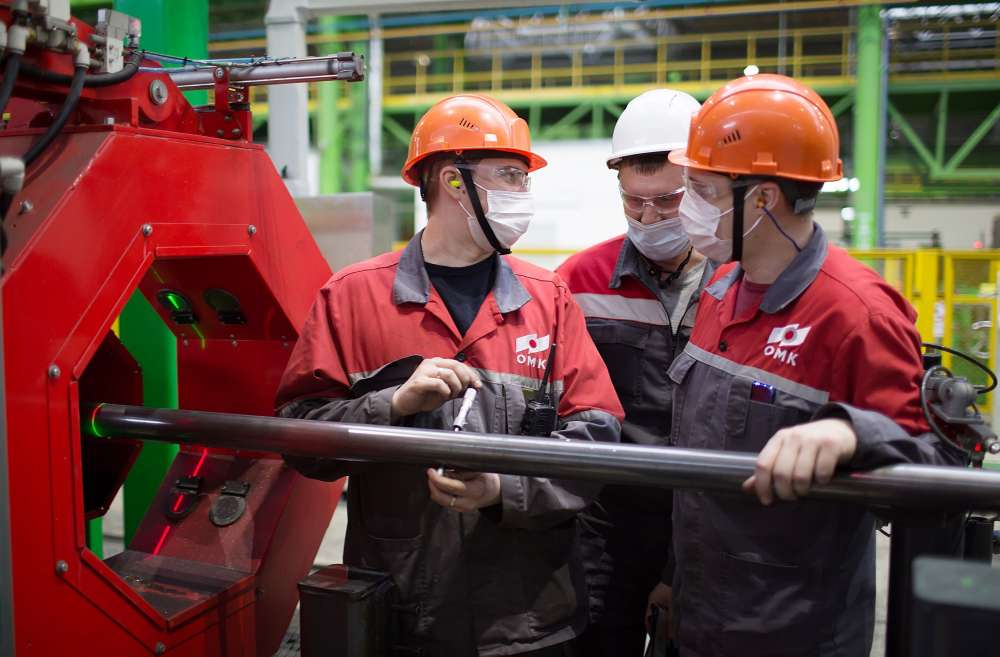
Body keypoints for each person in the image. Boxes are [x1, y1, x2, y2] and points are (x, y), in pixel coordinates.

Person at [274, 93, 624, 657]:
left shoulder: (548, 298)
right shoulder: (353, 297)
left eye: (524, 179)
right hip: (402, 613)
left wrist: (503, 489)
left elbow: (599, 434)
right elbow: (300, 437)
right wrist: (392, 405)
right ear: (452, 181)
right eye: (509, 176)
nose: (523, 194)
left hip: (528, 618)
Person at [664, 73, 968, 657]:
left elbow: (938, 468)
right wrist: (673, 578)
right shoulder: (721, 287)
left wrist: (852, 432)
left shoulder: (856, 313)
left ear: (762, 198)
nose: (688, 208)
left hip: (794, 633)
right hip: (702, 614)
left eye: (701, 189)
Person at [556, 89, 708, 656]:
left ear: (705, 187)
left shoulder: (739, 284)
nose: (648, 218)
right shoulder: (580, 279)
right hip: (606, 526)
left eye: (667, 202)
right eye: (633, 201)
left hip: (708, 519)